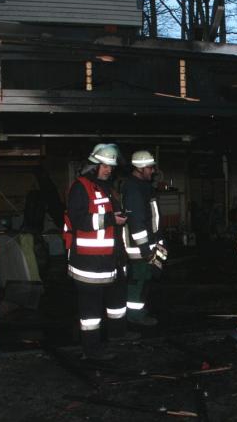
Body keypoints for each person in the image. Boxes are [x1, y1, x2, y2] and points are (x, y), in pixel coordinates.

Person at [63, 143, 134, 361]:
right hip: (88, 265)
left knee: (115, 304)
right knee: (90, 313)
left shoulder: (106, 188)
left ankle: (116, 337)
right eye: (104, 166)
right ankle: (91, 351)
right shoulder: (80, 187)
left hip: (109, 261)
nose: (108, 170)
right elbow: (79, 221)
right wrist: (111, 219)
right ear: (93, 165)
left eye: (111, 167)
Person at [122, 150, 168, 326]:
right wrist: (144, 249)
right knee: (138, 281)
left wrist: (159, 242)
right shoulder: (133, 188)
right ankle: (135, 316)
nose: (153, 171)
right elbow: (136, 222)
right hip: (139, 247)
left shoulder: (143, 186)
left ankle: (139, 312)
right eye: (150, 167)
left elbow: (151, 218)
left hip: (149, 244)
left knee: (146, 279)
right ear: (139, 168)